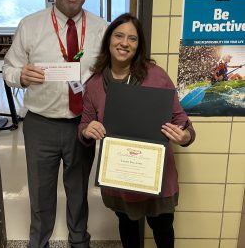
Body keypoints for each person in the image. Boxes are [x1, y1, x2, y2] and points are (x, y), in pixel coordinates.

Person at [3, 0, 107, 248]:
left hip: (82, 126)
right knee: (40, 193)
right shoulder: (30, 25)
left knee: (77, 192)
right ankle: (39, 242)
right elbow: (9, 69)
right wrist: (20, 76)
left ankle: (78, 241)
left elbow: (111, 73)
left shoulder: (101, 28)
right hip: (40, 125)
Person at [78, 13, 196, 248]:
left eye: (132, 39)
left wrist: (184, 136)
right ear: (108, 40)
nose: (124, 43)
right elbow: (84, 125)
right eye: (119, 35)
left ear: (139, 45)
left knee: (162, 228)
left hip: (156, 176)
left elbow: (183, 122)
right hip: (120, 175)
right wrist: (86, 131)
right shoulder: (94, 84)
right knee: (128, 227)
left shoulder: (157, 76)